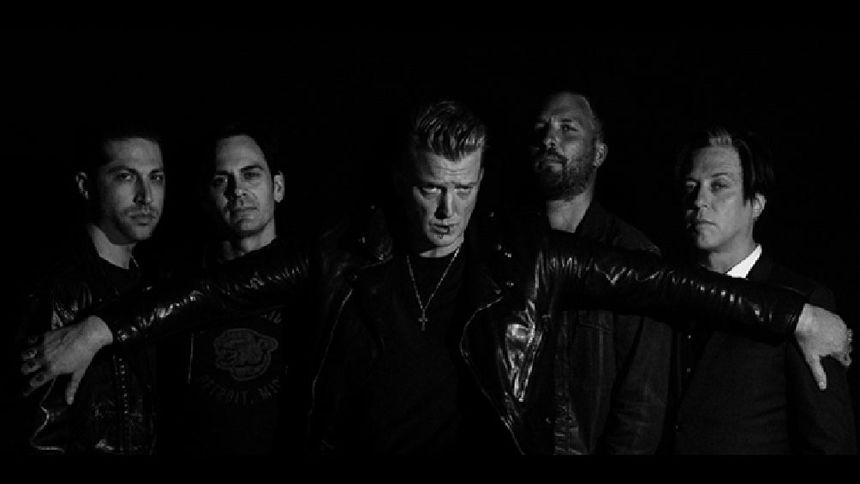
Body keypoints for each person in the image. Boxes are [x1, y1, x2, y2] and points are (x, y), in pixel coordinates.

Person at [20, 100, 852, 455]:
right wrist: (101, 327)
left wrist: (793, 316)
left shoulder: (525, 255)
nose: (447, 210)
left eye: (464, 188)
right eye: (429, 189)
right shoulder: (346, 250)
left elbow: (663, 284)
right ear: (402, 179)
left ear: (482, 179)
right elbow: (216, 290)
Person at [661, 126, 856, 454]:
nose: (699, 200)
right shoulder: (667, 288)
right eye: (691, 187)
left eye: (719, 185)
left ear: (756, 204)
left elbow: (830, 442)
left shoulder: (804, 299)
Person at [527, 91, 671, 453]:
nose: (549, 138)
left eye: (568, 129)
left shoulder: (633, 254)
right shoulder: (508, 244)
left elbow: (641, 410)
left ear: (599, 153)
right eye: (542, 128)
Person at [13, 123, 166, 454]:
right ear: (85, 186)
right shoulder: (58, 289)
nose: (146, 195)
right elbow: (39, 438)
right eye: (126, 176)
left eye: (155, 177)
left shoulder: (154, 280)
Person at [156, 123, 294, 455]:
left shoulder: (316, 280)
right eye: (221, 180)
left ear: (277, 187)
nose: (237, 190)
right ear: (206, 198)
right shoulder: (174, 285)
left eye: (251, 174)